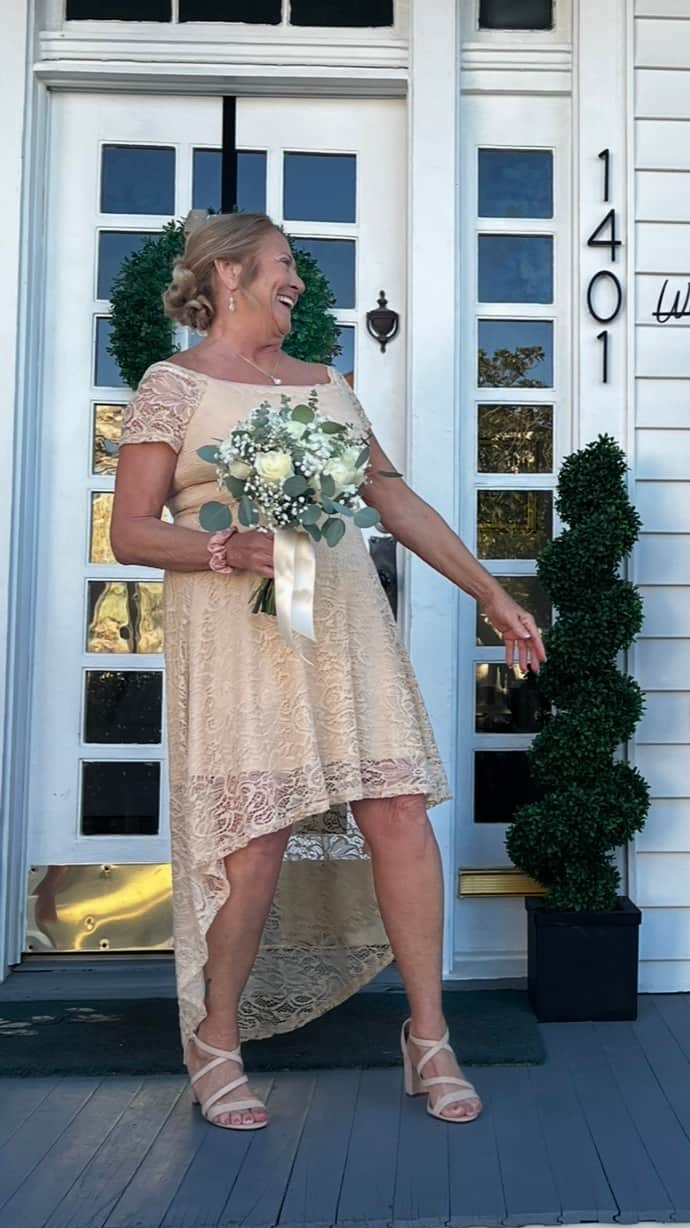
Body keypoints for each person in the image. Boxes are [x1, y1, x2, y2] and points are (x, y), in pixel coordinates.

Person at [111, 211, 544, 1129]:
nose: (297, 282)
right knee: (255, 838)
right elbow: (131, 529)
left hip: (343, 625)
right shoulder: (172, 384)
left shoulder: (329, 386)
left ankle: (429, 1037)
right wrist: (230, 546)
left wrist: (490, 593)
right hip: (239, 636)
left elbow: (391, 499)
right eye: (281, 266)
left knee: (396, 812)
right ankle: (215, 1038)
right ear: (229, 275)